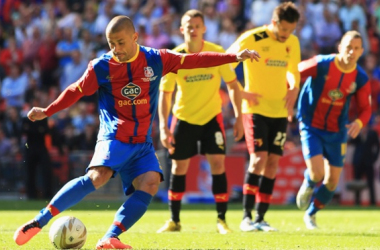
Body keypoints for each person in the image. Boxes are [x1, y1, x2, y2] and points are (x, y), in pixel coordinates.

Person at [13, 15, 260, 249]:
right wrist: (48, 110)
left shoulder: (156, 59)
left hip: (142, 143)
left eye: (121, 42)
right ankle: (39, 221)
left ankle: (110, 238)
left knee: (151, 182)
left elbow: (194, 61)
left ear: (135, 37)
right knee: (98, 178)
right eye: (111, 44)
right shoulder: (101, 66)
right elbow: (76, 90)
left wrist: (233, 57)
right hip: (114, 138)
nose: (116, 48)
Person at [156, 9, 244, 235]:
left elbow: (233, 85)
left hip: (211, 118)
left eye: (197, 25)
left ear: (204, 28)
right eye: (189, 26)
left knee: (218, 164)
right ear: (181, 29)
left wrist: (239, 117)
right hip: (184, 118)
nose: (193, 29)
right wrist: (164, 127)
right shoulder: (174, 57)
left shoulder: (217, 53)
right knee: (179, 167)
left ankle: (222, 221)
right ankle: (174, 220)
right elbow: (165, 94)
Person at [226, 1, 301, 232]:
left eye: (292, 30)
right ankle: (246, 217)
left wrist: (294, 88)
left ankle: (261, 218)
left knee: (272, 163)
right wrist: (241, 91)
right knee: (258, 159)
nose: (287, 35)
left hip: (279, 111)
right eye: (284, 29)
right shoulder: (252, 37)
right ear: (275, 22)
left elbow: (293, 71)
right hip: (255, 110)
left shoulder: (292, 42)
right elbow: (226, 62)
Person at [296, 30, 372, 229]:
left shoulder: (360, 77)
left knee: (331, 182)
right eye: (348, 47)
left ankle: (311, 214)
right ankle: (308, 182)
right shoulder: (321, 64)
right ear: (340, 47)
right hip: (311, 125)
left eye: (356, 48)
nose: (351, 52)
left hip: (337, 132)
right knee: (317, 172)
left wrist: (359, 123)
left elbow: (366, 109)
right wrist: (289, 94)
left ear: (361, 51)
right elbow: (294, 73)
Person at [351, 125, 379, 206]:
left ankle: (372, 202)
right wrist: (357, 133)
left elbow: (377, 147)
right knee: (357, 182)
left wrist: (374, 159)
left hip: (369, 162)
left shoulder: (372, 133)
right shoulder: (357, 133)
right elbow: (351, 141)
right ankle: (357, 202)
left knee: (370, 184)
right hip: (358, 162)